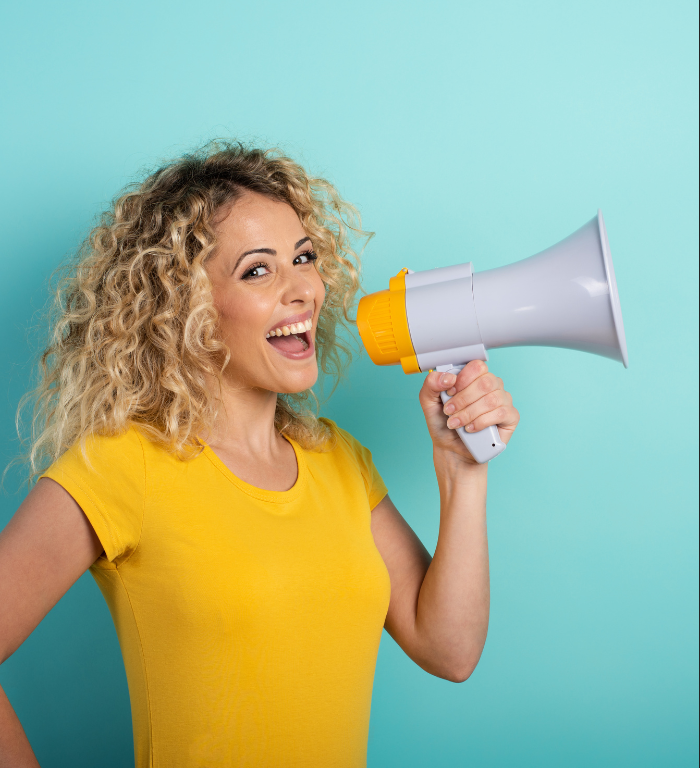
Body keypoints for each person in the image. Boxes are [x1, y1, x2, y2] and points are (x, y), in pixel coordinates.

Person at [0, 141, 520, 767]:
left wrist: (463, 474)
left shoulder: (340, 462)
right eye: (257, 269)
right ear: (184, 307)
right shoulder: (121, 466)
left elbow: (449, 650)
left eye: (303, 258)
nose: (301, 289)